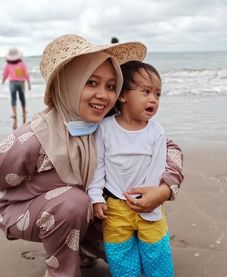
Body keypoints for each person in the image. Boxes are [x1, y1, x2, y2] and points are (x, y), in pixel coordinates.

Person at [0, 34, 183, 277]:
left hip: (90, 210)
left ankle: (82, 246)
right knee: (73, 202)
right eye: (91, 83)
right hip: (25, 211)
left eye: (110, 86)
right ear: (69, 83)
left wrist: (163, 190)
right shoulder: (35, 138)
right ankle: (60, 270)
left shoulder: (109, 125)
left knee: (125, 256)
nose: (103, 95)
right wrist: (44, 191)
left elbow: (171, 149)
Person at [87, 61, 173, 277]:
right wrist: (96, 197)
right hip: (115, 206)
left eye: (158, 94)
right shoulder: (105, 129)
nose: (153, 98)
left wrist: (153, 199)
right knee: (120, 256)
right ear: (123, 95)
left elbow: (157, 169)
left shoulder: (156, 132)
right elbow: (98, 165)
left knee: (156, 253)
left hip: (148, 205)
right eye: (146, 91)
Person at [2, 47, 32, 129]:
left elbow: (5, 73)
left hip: (12, 83)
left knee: (13, 98)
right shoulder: (22, 63)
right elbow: (26, 73)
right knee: (22, 97)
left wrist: (3, 80)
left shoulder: (8, 64)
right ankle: (24, 112)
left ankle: (15, 115)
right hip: (21, 82)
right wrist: (28, 82)